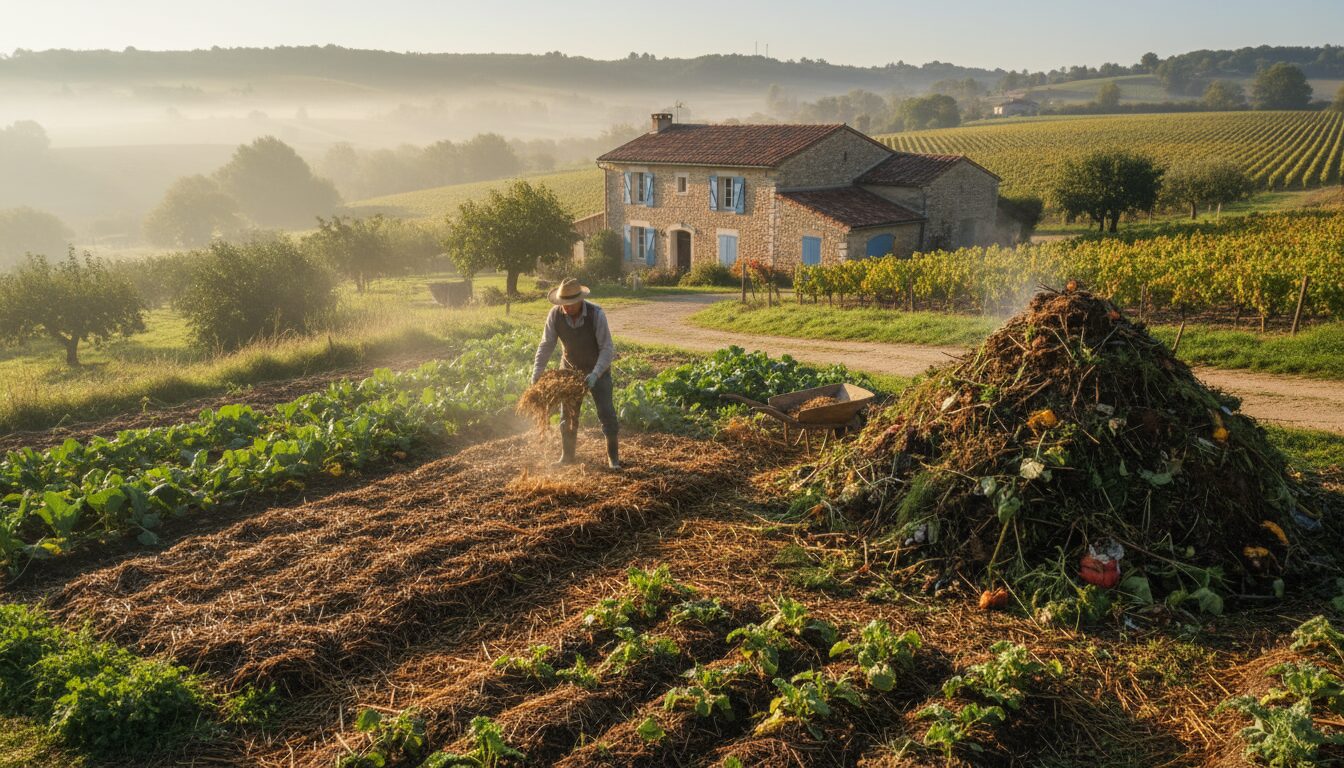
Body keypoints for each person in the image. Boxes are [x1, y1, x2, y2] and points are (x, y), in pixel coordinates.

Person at [531, 277, 620, 469]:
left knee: (606, 412)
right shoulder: (555, 315)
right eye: (564, 303)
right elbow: (546, 345)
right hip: (570, 370)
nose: (567, 308)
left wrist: (595, 374)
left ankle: (613, 457)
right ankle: (568, 456)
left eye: (571, 304)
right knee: (568, 415)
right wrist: (537, 372)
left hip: (598, 369)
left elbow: (607, 348)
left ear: (580, 300)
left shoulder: (596, 314)